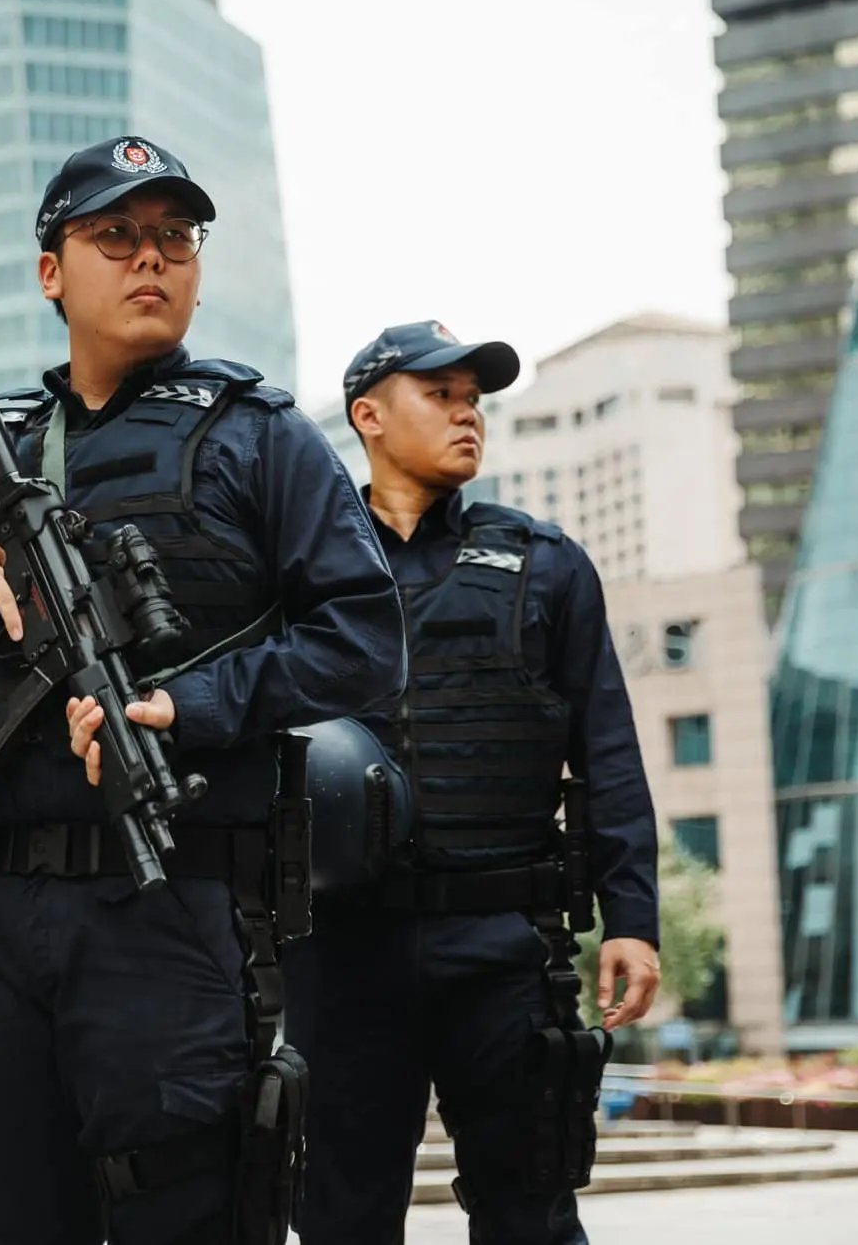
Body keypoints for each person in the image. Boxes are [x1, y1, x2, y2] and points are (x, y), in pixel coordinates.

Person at [0, 136, 408, 1244]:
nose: (150, 261)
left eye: (173, 240)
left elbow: (362, 640)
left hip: (173, 902)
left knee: (187, 1207)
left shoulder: (260, 433)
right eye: (115, 238)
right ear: (50, 270)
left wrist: (191, 706)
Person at [281, 321, 663, 1245]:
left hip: (504, 947)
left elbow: (607, 749)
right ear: (368, 416)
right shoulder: (301, 575)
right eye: (439, 395)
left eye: (474, 400)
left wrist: (634, 919)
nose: (466, 416)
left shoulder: (546, 562)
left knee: (530, 1214)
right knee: (342, 1218)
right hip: (343, 950)